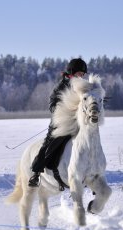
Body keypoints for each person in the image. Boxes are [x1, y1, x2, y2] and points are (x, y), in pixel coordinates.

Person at [28, 58, 87, 190]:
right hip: (61, 123)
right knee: (49, 144)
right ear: (71, 72)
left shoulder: (82, 87)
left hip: (78, 123)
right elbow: (52, 105)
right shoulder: (62, 87)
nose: (81, 77)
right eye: (79, 74)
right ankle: (36, 173)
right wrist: (66, 110)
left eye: (83, 75)